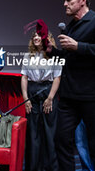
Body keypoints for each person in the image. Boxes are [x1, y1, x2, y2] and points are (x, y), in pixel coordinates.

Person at [47, 0, 95, 171]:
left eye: (69, 0)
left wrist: (78, 46)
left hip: (93, 97)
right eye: (64, 0)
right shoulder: (71, 27)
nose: (65, 4)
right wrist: (52, 51)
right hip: (70, 97)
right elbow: (70, 57)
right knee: (61, 142)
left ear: (83, 0)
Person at [21, 30, 61, 171]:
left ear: (47, 38)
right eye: (34, 36)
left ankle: (50, 168)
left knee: (49, 133)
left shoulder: (53, 55)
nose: (36, 38)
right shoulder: (27, 56)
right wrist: (26, 98)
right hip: (32, 92)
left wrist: (50, 98)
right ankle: (33, 168)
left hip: (48, 91)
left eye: (39, 35)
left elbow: (57, 77)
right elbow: (24, 77)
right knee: (33, 133)